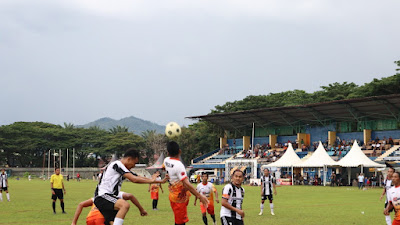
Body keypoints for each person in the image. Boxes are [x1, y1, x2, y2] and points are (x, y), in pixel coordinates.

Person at [94, 149, 168, 225]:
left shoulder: (123, 168)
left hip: (110, 196)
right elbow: (134, 179)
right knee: (124, 205)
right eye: (134, 163)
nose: (134, 166)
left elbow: (139, 177)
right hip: (102, 196)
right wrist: (152, 181)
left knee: (112, 222)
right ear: (129, 159)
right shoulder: (117, 164)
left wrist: (160, 181)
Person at [163, 141, 208, 225]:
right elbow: (186, 183)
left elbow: (164, 168)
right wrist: (199, 196)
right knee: (180, 222)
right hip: (179, 198)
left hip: (173, 195)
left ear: (168, 153)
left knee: (179, 220)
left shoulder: (166, 160)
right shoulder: (179, 165)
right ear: (180, 151)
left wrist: (169, 174)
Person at [71, 191, 147, 225]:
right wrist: (141, 209)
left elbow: (81, 204)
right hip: (101, 219)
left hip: (90, 219)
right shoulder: (116, 193)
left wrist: (74, 222)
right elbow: (130, 196)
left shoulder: (99, 196)